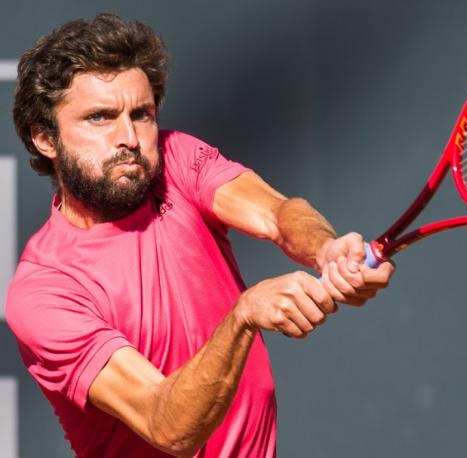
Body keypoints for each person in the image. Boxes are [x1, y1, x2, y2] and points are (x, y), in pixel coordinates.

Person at [7, 13, 394, 458]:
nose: (129, 137)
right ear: (45, 139)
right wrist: (242, 315)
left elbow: (278, 213)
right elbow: (167, 425)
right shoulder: (44, 292)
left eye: (142, 114)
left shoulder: (175, 159)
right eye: (100, 118)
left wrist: (325, 249)